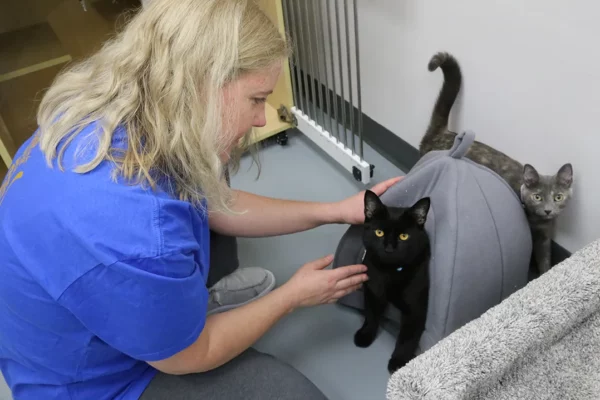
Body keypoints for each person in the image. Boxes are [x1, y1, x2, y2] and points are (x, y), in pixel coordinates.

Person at [0, 1, 401, 399]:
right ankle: (171, 316)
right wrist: (293, 296)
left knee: (209, 200)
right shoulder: (137, 231)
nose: (262, 119)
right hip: (88, 381)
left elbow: (215, 203)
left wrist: (331, 211)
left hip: (69, 302)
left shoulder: (118, 109)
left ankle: (170, 307)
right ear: (199, 82)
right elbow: (194, 354)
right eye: (256, 99)